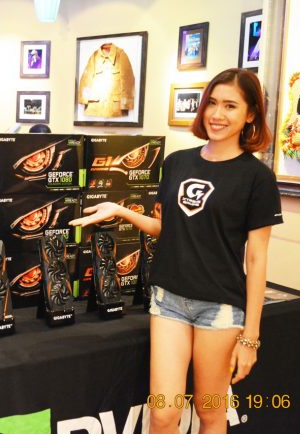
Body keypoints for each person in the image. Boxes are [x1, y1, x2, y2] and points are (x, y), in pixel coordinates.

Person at [70, 68, 283, 434]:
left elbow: (256, 257)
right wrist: (121, 210)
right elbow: (166, 229)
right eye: (212, 103)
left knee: (210, 412)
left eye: (230, 106)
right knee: (164, 414)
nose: (217, 114)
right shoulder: (177, 162)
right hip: (167, 299)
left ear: (251, 114)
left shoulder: (258, 178)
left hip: (220, 308)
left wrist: (250, 337)